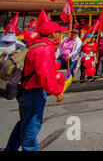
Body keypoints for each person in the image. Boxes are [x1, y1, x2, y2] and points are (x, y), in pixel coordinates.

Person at [5, 21, 66, 151]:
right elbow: (45, 75)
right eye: (59, 32)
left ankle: (10, 149)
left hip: (25, 90)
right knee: (31, 127)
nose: (61, 34)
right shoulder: (44, 49)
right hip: (33, 92)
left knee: (24, 123)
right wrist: (57, 91)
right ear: (52, 34)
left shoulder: (36, 45)